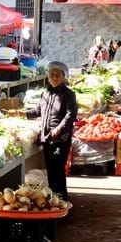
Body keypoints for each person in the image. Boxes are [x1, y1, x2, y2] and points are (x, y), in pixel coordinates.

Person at [37, 61, 78, 198]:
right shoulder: (45, 93)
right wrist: (19, 113)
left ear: (63, 77)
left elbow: (70, 115)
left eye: (57, 75)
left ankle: (61, 199)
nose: (54, 77)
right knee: (50, 171)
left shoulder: (68, 94)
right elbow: (38, 110)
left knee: (58, 171)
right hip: (47, 138)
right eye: (51, 75)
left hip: (61, 139)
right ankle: (53, 200)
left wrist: (59, 129)